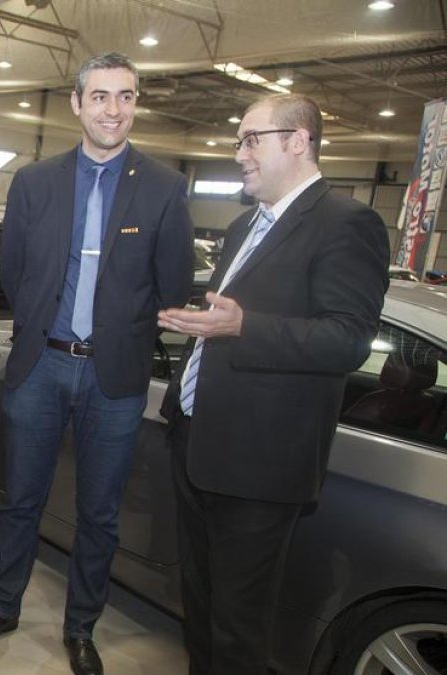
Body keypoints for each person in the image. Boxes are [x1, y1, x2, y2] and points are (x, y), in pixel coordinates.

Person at [0, 52, 193, 675]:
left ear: (136, 103)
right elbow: (22, 272)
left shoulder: (165, 187)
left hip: (114, 376)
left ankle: (80, 626)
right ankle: (4, 606)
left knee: (100, 512)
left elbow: (173, 284)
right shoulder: (37, 181)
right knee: (21, 499)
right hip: (41, 366)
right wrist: (42, 325)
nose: (114, 109)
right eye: (101, 97)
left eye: (126, 97)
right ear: (77, 104)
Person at [157, 94, 388, 675]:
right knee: (202, 607)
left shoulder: (346, 222)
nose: (239, 155)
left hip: (260, 464)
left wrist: (245, 327)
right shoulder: (241, 227)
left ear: (297, 140)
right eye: (239, 141)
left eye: (250, 139)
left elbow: (348, 338)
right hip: (198, 441)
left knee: (240, 627)